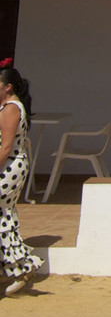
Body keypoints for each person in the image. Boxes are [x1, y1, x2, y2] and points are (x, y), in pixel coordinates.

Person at [0, 59, 46, 292]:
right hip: (12, 165)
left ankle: (21, 266)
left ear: (8, 86)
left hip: (9, 166)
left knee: (3, 216)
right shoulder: (10, 106)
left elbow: (6, 146)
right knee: (4, 216)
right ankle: (14, 267)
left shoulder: (11, 108)